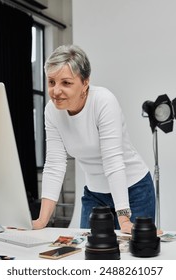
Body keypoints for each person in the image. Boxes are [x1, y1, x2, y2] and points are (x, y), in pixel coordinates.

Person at [32, 45, 156, 234]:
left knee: (132, 256)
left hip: (134, 190)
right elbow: (55, 164)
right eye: (51, 82)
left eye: (66, 83)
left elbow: (113, 160)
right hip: (95, 194)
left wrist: (123, 217)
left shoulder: (104, 101)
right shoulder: (51, 111)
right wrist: (42, 220)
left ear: (85, 82)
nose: (56, 91)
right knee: (88, 254)